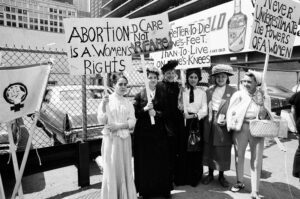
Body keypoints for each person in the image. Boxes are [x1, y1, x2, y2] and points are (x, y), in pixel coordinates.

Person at [227, 70, 270, 199]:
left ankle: (255, 190)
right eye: (244, 81)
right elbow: (231, 111)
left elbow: (265, 115)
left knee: (256, 160)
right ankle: (239, 182)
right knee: (239, 156)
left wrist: (262, 102)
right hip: (240, 128)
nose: (246, 84)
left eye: (249, 81)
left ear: (257, 83)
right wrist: (231, 123)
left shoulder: (263, 95)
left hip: (257, 128)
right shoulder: (238, 94)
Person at [133, 66, 171, 199]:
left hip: (159, 133)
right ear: (146, 79)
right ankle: (145, 191)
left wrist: (157, 113)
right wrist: (144, 109)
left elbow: (167, 112)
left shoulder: (162, 93)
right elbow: (136, 114)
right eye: (150, 78)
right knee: (145, 162)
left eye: (155, 78)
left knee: (161, 160)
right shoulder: (140, 95)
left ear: (158, 79)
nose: (153, 80)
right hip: (144, 134)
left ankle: (163, 190)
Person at [97, 73, 137, 199]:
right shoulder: (107, 100)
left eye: (125, 84)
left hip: (125, 139)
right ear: (114, 85)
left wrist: (118, 126)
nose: (123, 87)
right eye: (120, 84)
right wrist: (103, 105)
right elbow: (101, 120)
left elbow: (132, 121)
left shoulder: (128, 102)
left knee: (125, 167)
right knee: (112, 167)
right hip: (111, 139)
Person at [202, 64, 236, 188]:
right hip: (209, 122)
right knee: (209, 147)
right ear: (214, 78)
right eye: (218, 77)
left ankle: (221, 176)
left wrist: (229, 120)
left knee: (222, 149)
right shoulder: (209, 90)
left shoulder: (233, 91)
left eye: (223, 76)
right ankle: (210, 174)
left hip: (224, 123)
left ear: (227, 78)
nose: (220, 79)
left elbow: (237, 110)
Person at [156, 60, 185, 187]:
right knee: (165, 151)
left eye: (172, 72)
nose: (170, 75)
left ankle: (174, 177)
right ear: (163, 74)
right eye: (168, 73)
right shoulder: (159, 86)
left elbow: (181, 104)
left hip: (177, 122)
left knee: (176, 150)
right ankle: (165, 178)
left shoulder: (178, 86)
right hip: (164, 122)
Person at [177, 68, 207, 186]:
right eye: (190, 77)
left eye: (195, 77)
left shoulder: (202, 92)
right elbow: (179, 106)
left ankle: (195, 176)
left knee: (195, 150)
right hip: (184, 122)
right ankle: (184, 176)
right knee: (184, 149)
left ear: (198, 78)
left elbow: (204, 110)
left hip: (196, 122)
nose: (193, 79)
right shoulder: (183, 91)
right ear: (187, 78)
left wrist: (193, 115)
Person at [289, 91, 300, 179]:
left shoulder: (297, 95)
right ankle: (296, 171)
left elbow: (292, 109)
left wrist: (295, 123)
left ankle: (296, 171)